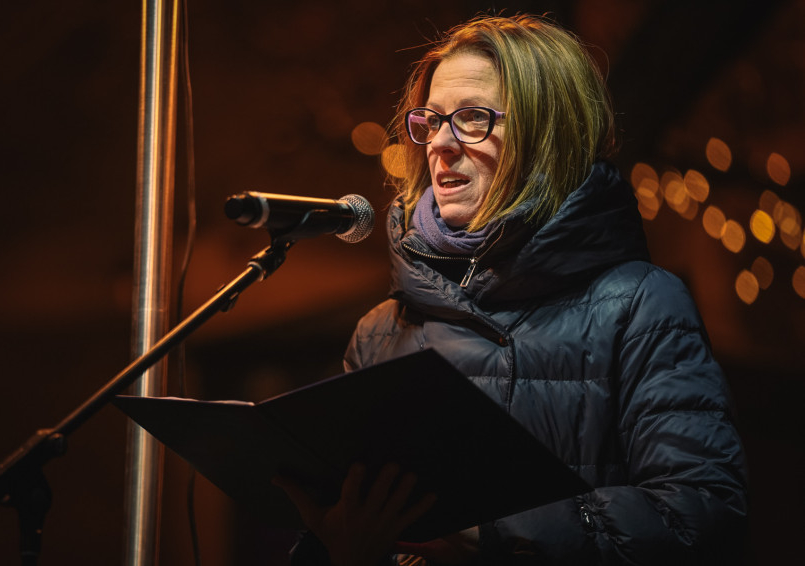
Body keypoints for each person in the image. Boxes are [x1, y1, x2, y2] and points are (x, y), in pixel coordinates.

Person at [275, 14, 748, 566]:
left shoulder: (641, 306)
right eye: (431, 120)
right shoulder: (381, 330)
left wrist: (493, 532)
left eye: (473, 118)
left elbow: (699, 516)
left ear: (547, 136)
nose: (441, 143)